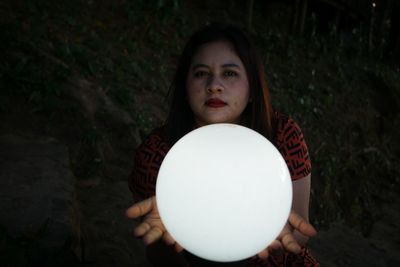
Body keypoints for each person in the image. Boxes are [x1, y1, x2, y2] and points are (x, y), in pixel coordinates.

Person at [126, 23, 319, 267]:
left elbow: (300, 231)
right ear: (185, 88)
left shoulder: (282, 135)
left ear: (252, 88)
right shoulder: (158, 155)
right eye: (200, 73)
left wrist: (272, 233)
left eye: (229, 73)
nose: (214, 84)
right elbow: (159, 256)